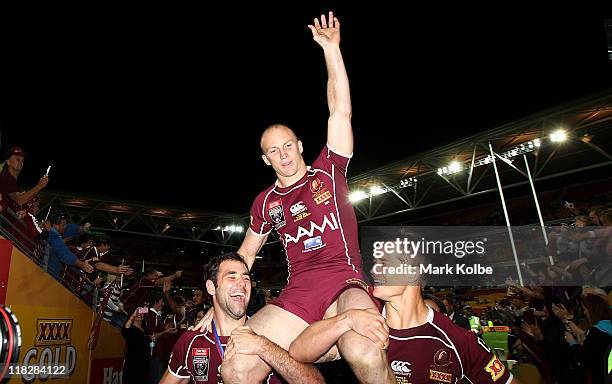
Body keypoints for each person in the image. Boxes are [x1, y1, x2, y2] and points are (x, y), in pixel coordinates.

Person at [202, 12, 394, 384]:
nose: (284, 154)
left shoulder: (329, 169)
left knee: (366, 350)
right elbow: (246, 254)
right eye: (274, 150)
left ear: (300, 145)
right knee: (235, 368)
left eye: (288, 145)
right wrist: (219, 302)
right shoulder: (265, 202)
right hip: (299, 293)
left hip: (345, 282)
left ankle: (343, 341)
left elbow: (340, 110)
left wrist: (331, 50)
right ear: (265, 158)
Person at [289, 251, 519, 384]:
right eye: (375, 265)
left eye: (385, 265)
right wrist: (346, 319)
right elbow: (298, 351)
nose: (375, 271)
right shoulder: (363, 323)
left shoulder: (458, 340)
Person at [161, 252, 324, 384]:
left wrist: (264, 347)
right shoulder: (191, 341)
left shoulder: (273, 331)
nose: (242, 284)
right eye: (232, 277)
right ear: (211, 287)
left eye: (246, 278)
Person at [122, 307, 152, 384]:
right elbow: (125, 330)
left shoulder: (145, 330)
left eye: (142, 313)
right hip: (132, 366)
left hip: (144, 367)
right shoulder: (131, 329)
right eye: (137, 313)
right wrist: (133, 315)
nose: (140, 314)